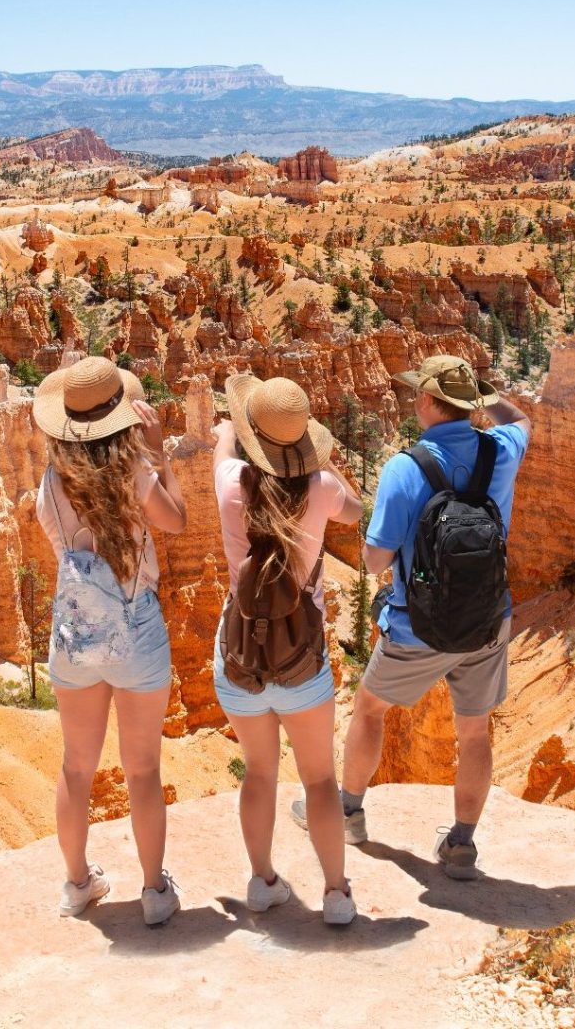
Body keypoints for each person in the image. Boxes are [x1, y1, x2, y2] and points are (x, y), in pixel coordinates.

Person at [291, 355, 531, 880]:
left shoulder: (406, 467)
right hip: (488, 618)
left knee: (369, 708)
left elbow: (376, 560)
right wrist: (487, 397)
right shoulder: (501, 449)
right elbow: (520, 420)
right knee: (475, 733)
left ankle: (348, 813)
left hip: (417, 627)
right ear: (470, 403)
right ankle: (462, 845)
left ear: (425, 400)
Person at [33, 356, 186, 923]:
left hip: (76, 632)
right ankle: (154, 892)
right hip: (136, 626)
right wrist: (159, 454)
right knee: (142, 769)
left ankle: (77, 885)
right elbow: (176, 521)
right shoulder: (134, 474)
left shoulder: (51, 483)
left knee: (76, 767)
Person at [212, 374, 363, 924]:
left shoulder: (230, 481)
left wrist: (227, 430)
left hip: (240, 655)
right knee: (319, 779)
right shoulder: (320, 487)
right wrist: (325, 462)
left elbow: (222, 448)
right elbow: (354, 509)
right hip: (303, 658)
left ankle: (263, 882)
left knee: (259, 773)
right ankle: (336, 895)